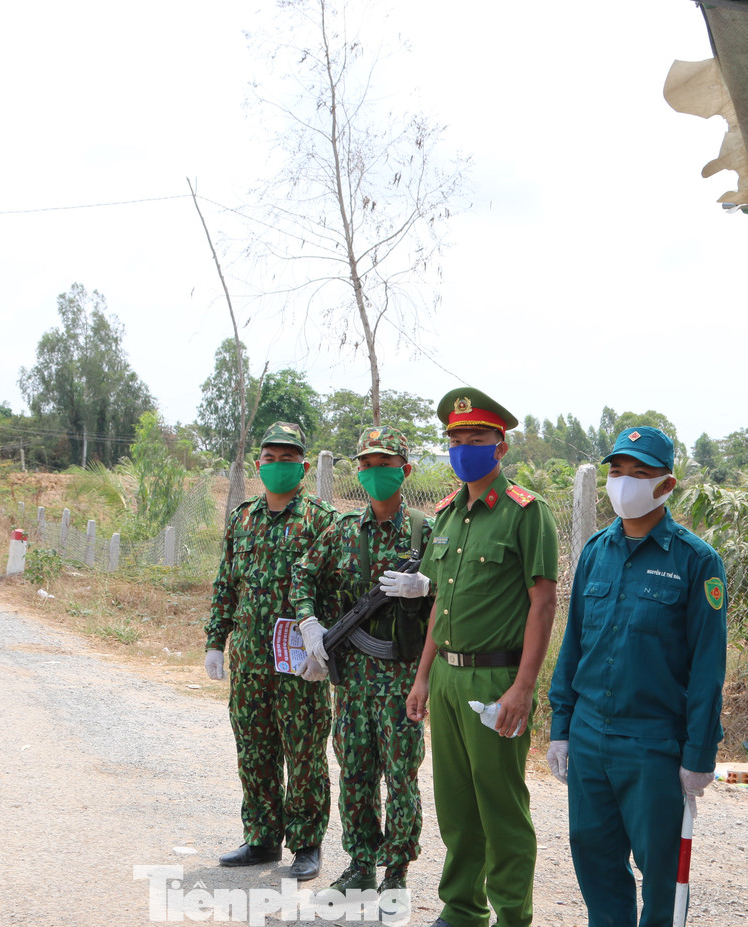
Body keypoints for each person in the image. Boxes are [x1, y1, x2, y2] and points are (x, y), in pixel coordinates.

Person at [546, 426, 727, 927]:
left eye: (640, 474)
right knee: (595, 859)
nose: (624, 484)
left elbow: (709, 670)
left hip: (652, 744)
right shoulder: (594, 552)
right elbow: (574, 645)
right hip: (589, 735)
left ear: (666, 486)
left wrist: (698, 756)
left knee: (662, 873)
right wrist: (562, 728)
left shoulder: (696, 561)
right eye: (617, 472)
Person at [405, 388, 560, 927]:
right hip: (446, 674)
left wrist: (522, 687)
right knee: (455, 805)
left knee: (501, 807)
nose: (465, 447)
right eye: (457, 439)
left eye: (477, 439)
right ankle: (462, 910)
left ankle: (513, 916)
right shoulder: (446, 515)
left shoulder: (526, 512)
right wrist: (423, 677)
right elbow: (440, 605)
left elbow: (543, 603)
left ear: (501, 447)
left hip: (496, 678)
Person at [289, 425, 435, 896]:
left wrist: (428, 588)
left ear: (405, 471)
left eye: (385, 466)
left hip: (402, 678)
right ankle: (360, 865)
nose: (375, 474)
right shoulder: (343, 531)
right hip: (351, 679)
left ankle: (396, 873)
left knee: (401, 776)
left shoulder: (425, 532)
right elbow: (302, 576)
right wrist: (310, 624)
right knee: (354, 772)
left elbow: (451, 602)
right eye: (367, 466)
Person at [205, 421, 339, 882]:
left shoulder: (322, 518)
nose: (278, 465)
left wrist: (327, 649)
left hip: (300, 662)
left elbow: (337, 590)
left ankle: (306, 843)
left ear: (303, 465)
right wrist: (214, 643)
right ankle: (262, 837)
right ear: (257, 463)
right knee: (254, 748)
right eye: (270, 457)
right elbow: (226, 585)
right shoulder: (243, 517)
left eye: (288, 458)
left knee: (304, 752)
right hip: (249, 659)